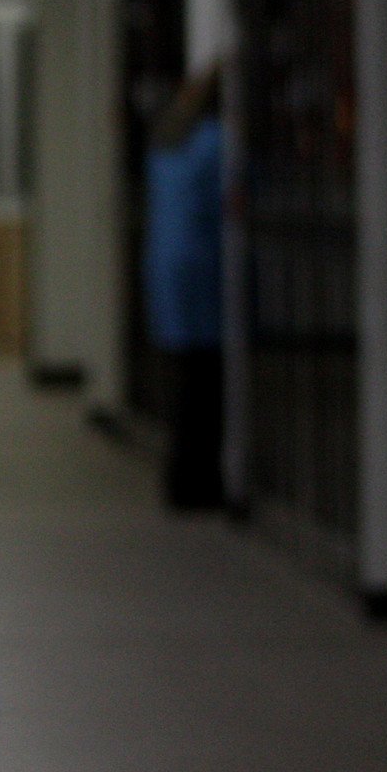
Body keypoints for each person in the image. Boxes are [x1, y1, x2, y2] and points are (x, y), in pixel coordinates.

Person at [144, 65, 225, 511]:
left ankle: (180, 477)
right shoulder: (217, 142)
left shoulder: (168, 141)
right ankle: (200, 483)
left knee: (183, 379)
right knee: (206, 383)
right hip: (202, 271)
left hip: (167, 266)